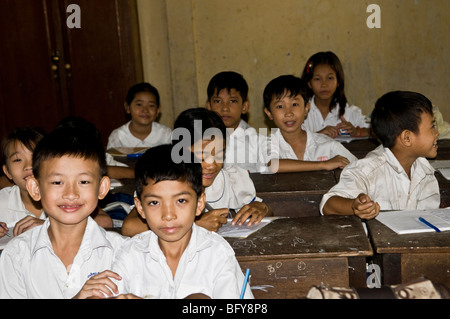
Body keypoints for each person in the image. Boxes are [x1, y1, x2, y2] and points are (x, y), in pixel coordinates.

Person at [111, 144, 253, 299]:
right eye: (154, 203)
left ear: (199, 204)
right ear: (140, 208)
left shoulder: (217, 253)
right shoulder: (130, 254)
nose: (168, 215)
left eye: (181, 200)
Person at [0, 127, 126, 298]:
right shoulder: (17, 255)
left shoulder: (122, 252)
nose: (70, 194)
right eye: (57, 182)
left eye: (83, 181)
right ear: (35, 188)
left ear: (102, 187)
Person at [121, 108, 272, 236]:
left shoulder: (231, 181)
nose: (211, 164)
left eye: (219, 153)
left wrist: (262, 208)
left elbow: (266, 212)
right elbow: (129, 227)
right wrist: (194, 225)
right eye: (201, 155)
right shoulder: (164, 182)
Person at [320, 91, 440, 219]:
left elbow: (429, 216)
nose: (437, 133)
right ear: (407, 138)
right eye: (432, 126)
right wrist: (354, 206)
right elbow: (328, 204)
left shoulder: (424, 170)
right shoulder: (369, 170)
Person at [261, 75, 357, 173]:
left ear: (306, 108)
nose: (288, 113)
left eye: (294, 104)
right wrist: (324, 164)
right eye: (280, 106)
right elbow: (274, 165)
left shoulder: (327, 144)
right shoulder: (268, 143)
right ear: (269, 113)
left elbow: (360, 168)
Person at [300, 51, 370, 138]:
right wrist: (317, 136)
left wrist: (357, 132)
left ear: (338, 82)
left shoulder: (350, 113)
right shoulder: (299, 112)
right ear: (309, 83)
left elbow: (376, 131)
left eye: (330, 78)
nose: (324, 84)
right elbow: (288, 138)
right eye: (317, 79)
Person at [205, 71, 266, 173]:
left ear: (244, 106)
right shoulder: (199, 141)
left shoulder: (258, 143)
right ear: (209, 106)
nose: (225, 108)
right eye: (218, 101)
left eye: (233, 101)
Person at [0, 127, 46, 238]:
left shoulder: (67, 197)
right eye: (17, 160)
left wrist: (50, 228)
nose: (28, 166)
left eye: (35, 157)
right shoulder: (2, 201)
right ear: (7, 172)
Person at [106, 82, 172, 149]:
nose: (145, 110)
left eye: (151, 105)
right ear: (127, 107)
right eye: (139, 104)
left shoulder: (166, 134)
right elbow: (110, 158)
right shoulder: (118, 136)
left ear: (158, 110)